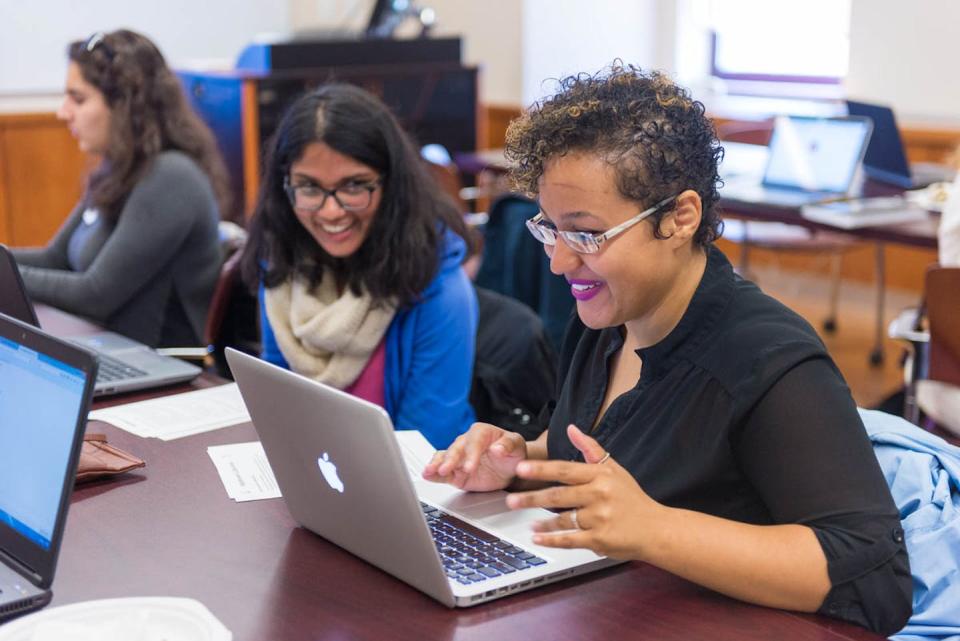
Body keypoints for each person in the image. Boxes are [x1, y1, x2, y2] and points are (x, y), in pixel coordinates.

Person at [424, 65, 912, 636]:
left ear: (680, 218)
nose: (559, 262)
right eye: (550, 229)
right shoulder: (606, 319)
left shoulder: (768, 362)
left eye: (585, 235)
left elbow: (875, 580)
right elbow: (606, 462)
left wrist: (654, 529)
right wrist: (518, 463)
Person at [240, 84, 478, 449]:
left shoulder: (439, 289)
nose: (331, 211)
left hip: (412, 485)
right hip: (315, 470)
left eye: (354, 186)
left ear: (391, 184)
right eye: (308, 187)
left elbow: (424, 449)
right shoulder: (280, 264)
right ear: (284, 186)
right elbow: (279, 408)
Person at [12, 30, 228, 348]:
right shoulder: (119, 168)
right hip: (112, 350)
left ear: (124, 105)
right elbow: (56, 257)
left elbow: (95, 295)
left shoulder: (170, 176)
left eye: (79, 98)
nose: (63, 112)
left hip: (167, 371)